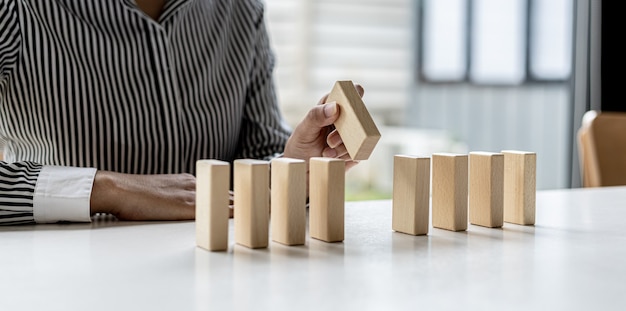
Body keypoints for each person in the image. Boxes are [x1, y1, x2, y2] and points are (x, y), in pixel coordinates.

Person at [0, 0, 360, 225]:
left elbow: (256, 156)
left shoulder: (241, 9)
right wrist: (107, 189)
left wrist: (293, 170)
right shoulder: (16, 10)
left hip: (219, 279)